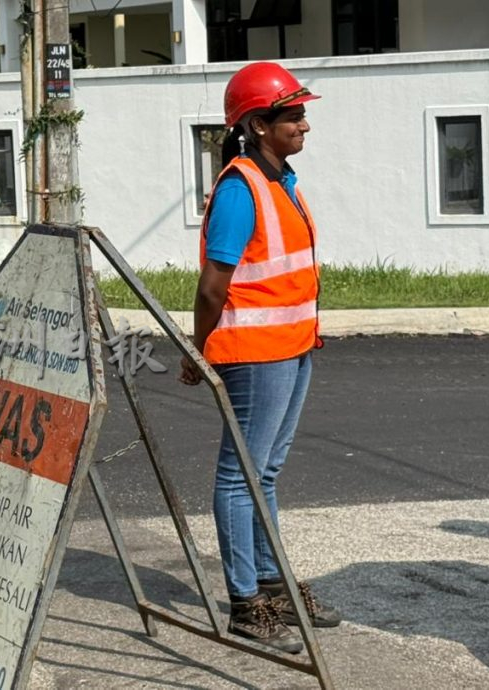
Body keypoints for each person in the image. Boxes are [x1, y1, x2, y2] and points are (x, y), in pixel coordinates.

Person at [179, 62, 341, 652]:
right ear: (257, 123)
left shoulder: (281, 180)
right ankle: (246, 602)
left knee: (263, 472)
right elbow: (212, 285)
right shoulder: (240, 188)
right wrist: (200, 352)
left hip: (293, 347)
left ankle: (271, 585)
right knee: (240, 473)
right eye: (292, 114)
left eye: (301, 112)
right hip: (253, 353)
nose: (303, 123)